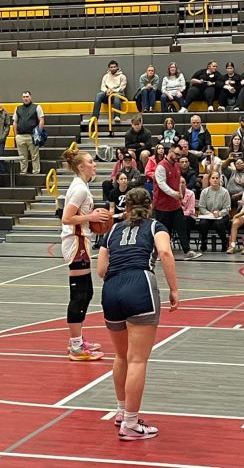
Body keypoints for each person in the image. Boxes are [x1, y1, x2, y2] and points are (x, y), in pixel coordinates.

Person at [97, 187, 179, 440]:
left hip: (111, 289)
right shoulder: (155, 226)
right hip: (139, 284)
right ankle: (131, 424)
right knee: (137, 360)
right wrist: (174, 289)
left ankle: (122, 411)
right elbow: (164, 252)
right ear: (150, 206)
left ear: (127, 207)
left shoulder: (111, 230)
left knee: (121, 356)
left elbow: (101, 269)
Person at [60, 146, 110, 361]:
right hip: (76, 242)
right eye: (91, 162)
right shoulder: (80, 189)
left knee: (86, 292)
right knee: (79, 295)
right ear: (81, 166)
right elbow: (66, 218)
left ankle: (78, 339)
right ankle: (75, 346)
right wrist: (91, 217)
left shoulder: (81, 186)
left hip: (81, 241)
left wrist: (94, 215)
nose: (94, 165)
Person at [153, 143, 202, 260]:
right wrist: (173, 194)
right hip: (162, 206)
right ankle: (160, 253)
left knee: (182, 227)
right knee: (163, 231)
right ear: (170, 151)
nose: (177, 157)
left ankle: (187, 250)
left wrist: (179, 194)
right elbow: (161, 184)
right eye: (176, 155)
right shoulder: (161, 167)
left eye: (179, 156)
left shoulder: (176, 165)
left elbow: (178, 181)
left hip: (175, 205)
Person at [13, 91, 45, 175]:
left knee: (34, 156)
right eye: (24, 97)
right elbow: (14, 122)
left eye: (27, 96)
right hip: (20, 136)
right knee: (22, 157)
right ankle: (23, 171)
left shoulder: (37, 107)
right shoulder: (18, 108)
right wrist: (16, 135)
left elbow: (41, 120)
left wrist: (39, 133)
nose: (25, 98)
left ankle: (36, 172)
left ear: (30, 97)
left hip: (32, 135)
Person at [198, 171, 231, 252]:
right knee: (203, 223)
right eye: (213, 178)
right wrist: (209, 214)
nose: (215, 180)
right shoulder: (204, 192)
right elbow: (202, 207)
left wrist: (219, 213)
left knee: (218, 224)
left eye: (217, 178)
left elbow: (227, 208)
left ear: (220, 180)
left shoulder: (225, 192)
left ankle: (224, 242)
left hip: (222, 216)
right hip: (208, 215)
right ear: (209, 180)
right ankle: (204, 242)